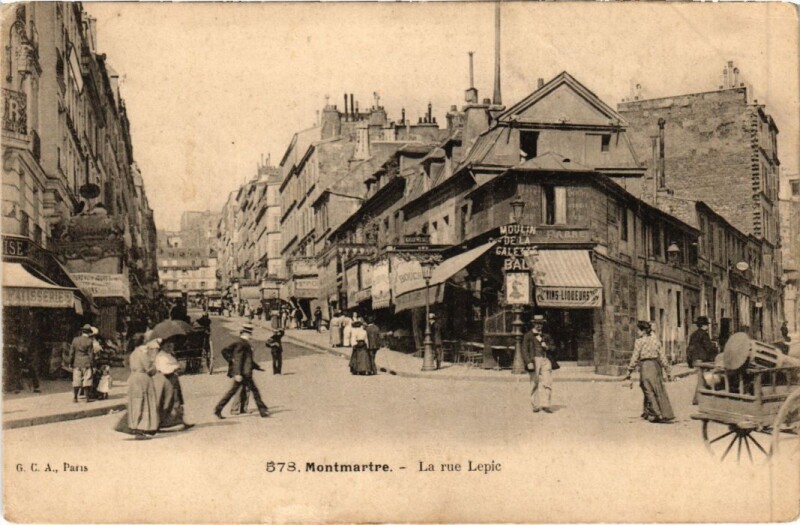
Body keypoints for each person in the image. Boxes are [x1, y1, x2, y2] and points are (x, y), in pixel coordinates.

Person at [214, 324, 269, 419]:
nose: (250, 336)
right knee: (252, 392)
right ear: (244, 333)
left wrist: (257, 367)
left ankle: (218, 409)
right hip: (243, 374)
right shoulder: (241, 344)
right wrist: (237, 373)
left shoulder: (244, 343)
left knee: (235, 392)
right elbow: (239, 359)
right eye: (249, 334)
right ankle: (263, 410)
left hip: (245, 373)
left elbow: (247, 360)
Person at [626, 320, 675, 423]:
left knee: (648, 390)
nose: (638, 332)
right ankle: (658, 412)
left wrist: (629, 370)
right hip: (656, 366)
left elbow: (635, 357)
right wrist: (668, 370)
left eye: (639, 330)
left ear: (643, 331)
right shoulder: (655, 340)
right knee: (658, 389)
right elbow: (662, 356)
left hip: (646, 366)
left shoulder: (639, 341)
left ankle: (658, 414)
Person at [153, 336, 193, 431]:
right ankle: (164, 422)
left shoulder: (168, 354)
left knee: (177, 400)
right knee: (172, 401)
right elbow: (164, 369)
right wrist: (176, 367)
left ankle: (180, 420)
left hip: (173, 380)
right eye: (168, 346)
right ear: (163, 347)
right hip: (168, 381)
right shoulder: (162, 356)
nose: (170, 348)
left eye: (171, 346)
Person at [126, 338, 160, 439]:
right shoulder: (143, 354)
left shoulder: (133, 354)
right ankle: (141, 428)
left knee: (135, 402)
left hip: (133, 378)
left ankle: (134, 426)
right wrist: (154, 364)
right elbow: (150, 369)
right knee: (144, 403)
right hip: (142, 378)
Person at [521, 315, 554, 413]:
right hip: (534, 360)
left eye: (541, 323)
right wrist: (528, 362)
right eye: (537, 323)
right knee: (534, 383)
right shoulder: (528, 335)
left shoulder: (546, 335)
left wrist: (547, 347)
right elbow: (524, 350)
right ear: (533, 324)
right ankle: (535, 405)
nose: (539, 325)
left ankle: (546, 405)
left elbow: (553, 347)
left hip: (545, 359)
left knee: (547, 382)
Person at [69, 325, 97, 403]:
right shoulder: (89, 341)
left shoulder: (75, 340)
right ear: (89, 333)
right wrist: (93, 365)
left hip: (77, 363)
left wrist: (70, 363)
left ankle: (75, 398)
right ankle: (87, 398)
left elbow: (71, 353)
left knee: (76, 380)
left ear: (82, 332)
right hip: (86, 363)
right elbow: (91, 355)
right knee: (87, 380)